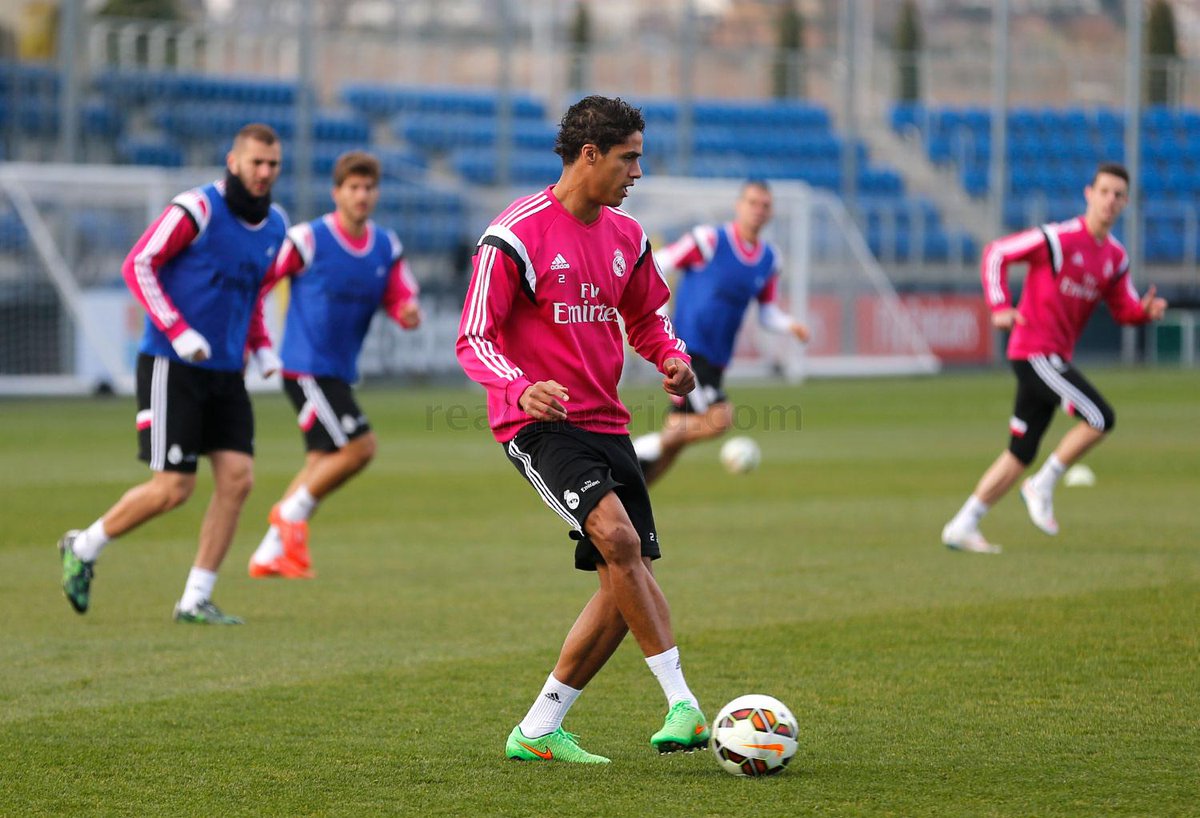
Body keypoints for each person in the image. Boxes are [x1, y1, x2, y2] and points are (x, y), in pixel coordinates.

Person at [456, 95, 708, 763]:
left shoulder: (629, 237)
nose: (637, 174)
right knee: (620, 543)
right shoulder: (514, 234)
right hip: (539, 425)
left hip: (609, 423)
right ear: (589, 154)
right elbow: (473, 337)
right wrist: (518, 387)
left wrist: (673, 360)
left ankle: (538, 729)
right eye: (629, 159)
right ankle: (682, 702)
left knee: (623, 576)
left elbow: (649, 319)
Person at [57, 123, 289, 623]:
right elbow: (139, 263)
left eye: (273, 164)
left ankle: (194, 599)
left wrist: (263, 347)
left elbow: (254, 294)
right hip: (172, 363)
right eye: (256, 162)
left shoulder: (276, 227)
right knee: (173, 488)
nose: (264, 172)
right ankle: (84, 546)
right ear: (233, 162)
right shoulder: (198, 209)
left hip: (227, 371)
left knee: (238, 480)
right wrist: (177, 329)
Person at [941, 162, 1168, 554]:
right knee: (1099, 417)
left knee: (1020, 452)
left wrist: (1142, 312)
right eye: (1104, 192)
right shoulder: (1059, 239)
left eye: (1119, 195)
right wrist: (999, 304)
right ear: (1088, 194)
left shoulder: (1115, 257)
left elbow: (1123, 308)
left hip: (1051, 358)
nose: (1110, 201)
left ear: (1126, 202)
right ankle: (1042, 484)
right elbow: (996, 253)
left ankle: (964, 523)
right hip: (1034, 352)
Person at [248, 151, 421, 579]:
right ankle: (289, 515)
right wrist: (257, 342)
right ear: (337, 192)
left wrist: (406, 311)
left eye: (368, 188)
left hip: (338, 370)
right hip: (306, 368)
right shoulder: (309, 239)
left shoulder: (385, 244)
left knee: (321, 462)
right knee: (360, 447)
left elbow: (400, 294)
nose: (362, 196)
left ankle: (268, 553)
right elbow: (261, 282)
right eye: (353, 188)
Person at [635, 179, 810, 485]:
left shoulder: (769, 260)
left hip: (716, 359)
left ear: (771, 213)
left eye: (765, 206)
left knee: (676, 441)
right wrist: (658, 315)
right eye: (752, 203)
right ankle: (633, 450)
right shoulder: (709, 240)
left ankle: (630, 504)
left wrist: (788, 324)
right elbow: (659, 263)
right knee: (719, 419)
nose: (758, 210)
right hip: (687, 350)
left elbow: (766, 311)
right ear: (738, 206)